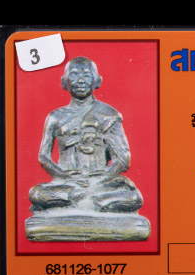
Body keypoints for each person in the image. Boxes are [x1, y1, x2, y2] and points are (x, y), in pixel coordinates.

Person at [28, 57, 142, 214]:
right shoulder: (55, 117)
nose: (81, 81)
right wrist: (66, 177)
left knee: (133, 198)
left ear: (97, 81)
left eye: (87, 75)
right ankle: (92, 202)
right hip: (68, 182)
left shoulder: (109, 115)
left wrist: (99, 181)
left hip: (100, 181)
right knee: (36, 194)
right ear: (64, 82)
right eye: (74, 75)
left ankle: (84, 200)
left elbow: (122, 160)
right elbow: (43, 157)